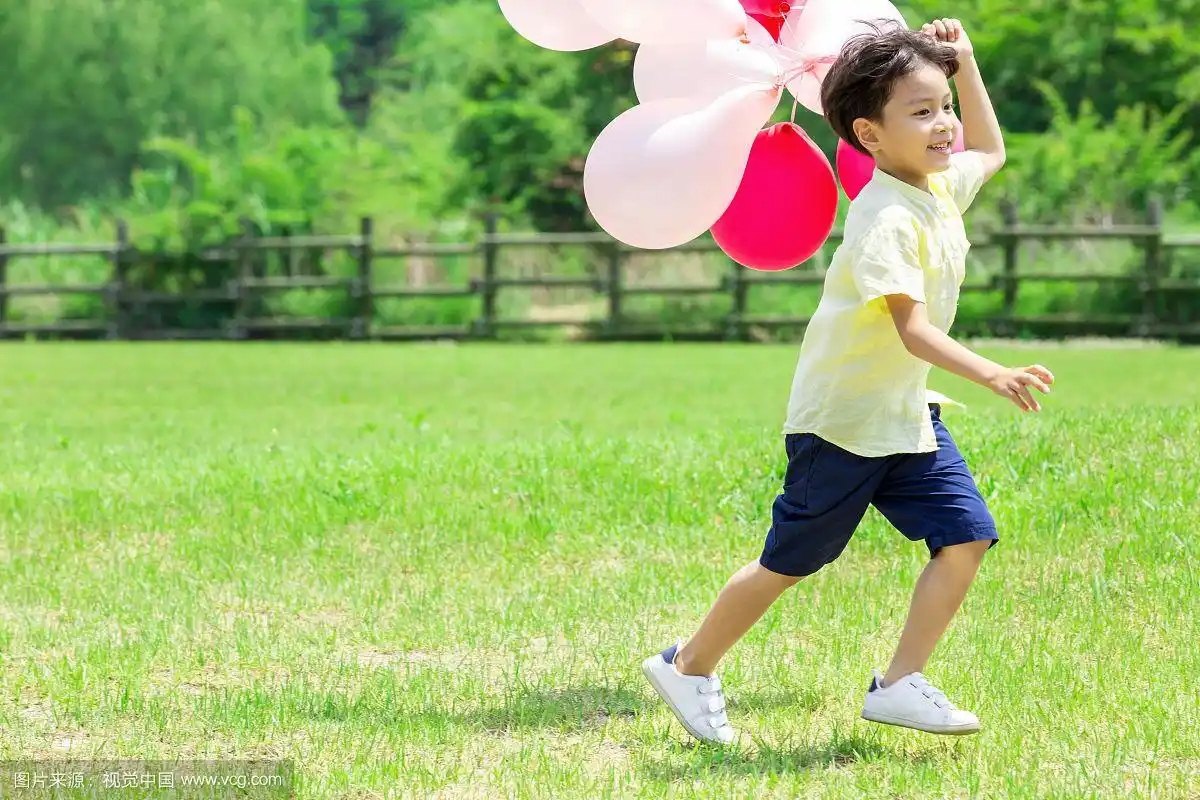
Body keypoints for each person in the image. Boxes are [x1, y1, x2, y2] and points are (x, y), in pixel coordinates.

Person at [641, 17, 1055, 743]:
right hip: (842, 423)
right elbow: (913, 329)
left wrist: (966, 66)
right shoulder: (884, 218)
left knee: (965, 537)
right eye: (920, 112)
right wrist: (993, 372)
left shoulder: (938, 185)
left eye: (944, 108)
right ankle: (690, 664)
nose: (943, 125)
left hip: (905, 416)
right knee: (791, 561)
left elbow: (990, 147)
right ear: (869, 134)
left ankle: (898, 685)